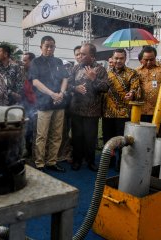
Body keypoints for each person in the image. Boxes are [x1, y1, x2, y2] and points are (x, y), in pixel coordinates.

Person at [29, 35, 68, 172]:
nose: (50, 49)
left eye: (52, 46)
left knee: (57, 135)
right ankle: (40, 163)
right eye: (47, 46)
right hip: (44, 103)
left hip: (59, 103)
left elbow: (65, 78)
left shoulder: (58, 61)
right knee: (42, 134)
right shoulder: (35, 62)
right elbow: (35, 82)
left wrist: (61, 93)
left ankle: (52, 161)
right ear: (41, 47)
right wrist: (52, 94)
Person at [68, 43, 109, 171]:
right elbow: (67, 85)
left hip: (92, 111)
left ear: (92, 56)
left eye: (83, 54)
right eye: (79, 53)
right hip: (76, 109)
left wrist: (93, 79)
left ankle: (91, 161)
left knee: (90, 138)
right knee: (77, 137)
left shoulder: (100, 69)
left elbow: (105, 88)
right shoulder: (75, 68)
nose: (80, 56)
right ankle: (77, 160)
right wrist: (75, 88)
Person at [103, 49, 141, 166]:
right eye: (116, 58)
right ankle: (109, 160)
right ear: (112, 58)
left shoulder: (132, 73)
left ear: (125, 59)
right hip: (107, 112)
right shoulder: (106, 73)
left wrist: (132, 93)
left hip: (123, 113)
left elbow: (136, 88)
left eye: (121, 58)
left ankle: (121, 162)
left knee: (121, 139)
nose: (118, 61)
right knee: (108, 138)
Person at [136, 46, 161, 137]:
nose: (149, 62)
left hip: (160, 110)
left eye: (151, 59)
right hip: (142, 111)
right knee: (143, 136)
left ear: (155, 57)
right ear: (142, 59)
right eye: (146, 60)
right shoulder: (137, 71)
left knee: (158, 136)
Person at [21, 52, 36, 158]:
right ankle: (28, 149)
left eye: (25, 60)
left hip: (37, 106)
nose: (23, 63)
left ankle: (37, 152)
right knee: (28, 130)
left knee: (37, 131)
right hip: (27, 106)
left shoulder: (38, 73)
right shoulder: (22, 73)